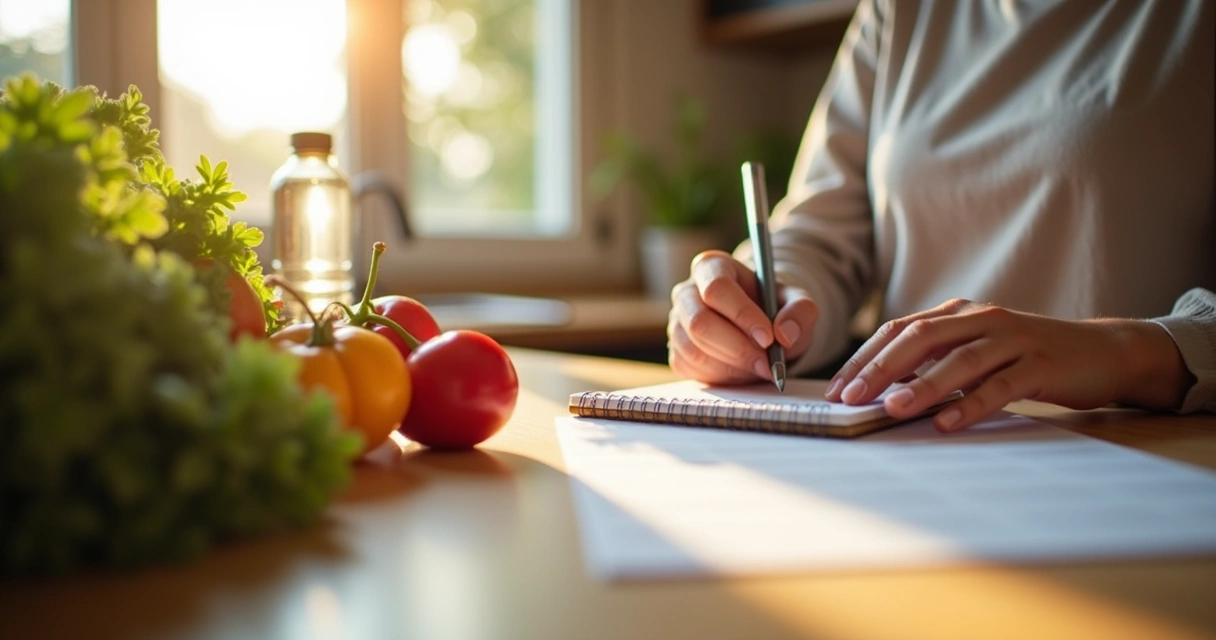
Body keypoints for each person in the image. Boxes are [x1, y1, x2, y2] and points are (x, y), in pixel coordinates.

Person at [667, 0, 1215, 432]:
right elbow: (819, 238)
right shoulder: (901, 9)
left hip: (1131, 445)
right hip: (910, 437)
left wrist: (1122, 352)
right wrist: (761, 304)